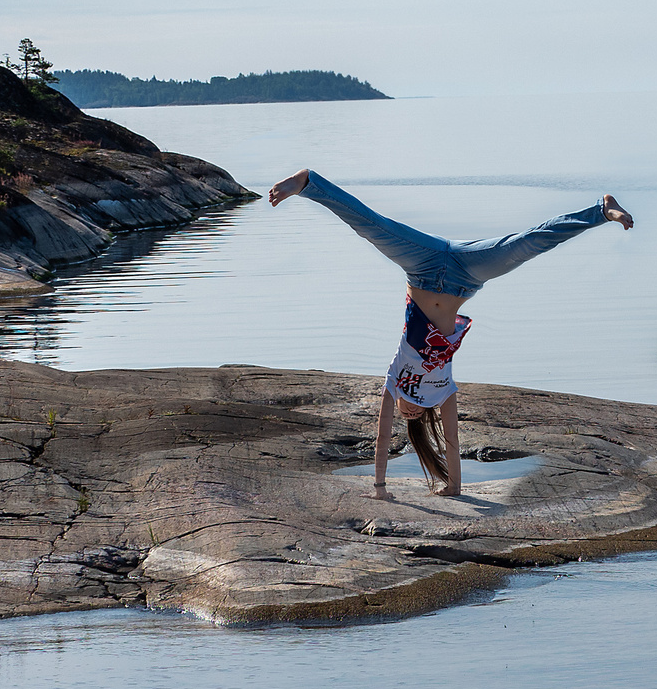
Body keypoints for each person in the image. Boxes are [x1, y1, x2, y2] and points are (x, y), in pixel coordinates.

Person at [267, 169, 634, 498]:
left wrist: (379, 488)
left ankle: (307, 182)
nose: (406, 409)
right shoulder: (442, 390)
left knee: (372, 225)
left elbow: (381, 438)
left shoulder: (394, 380)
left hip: (422, 265)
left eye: (402, 412)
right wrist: (454, 486)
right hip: (464, 276)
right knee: (528, 244)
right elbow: (454, 441)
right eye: (412, 414)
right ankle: (600, 211)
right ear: (422, 412)